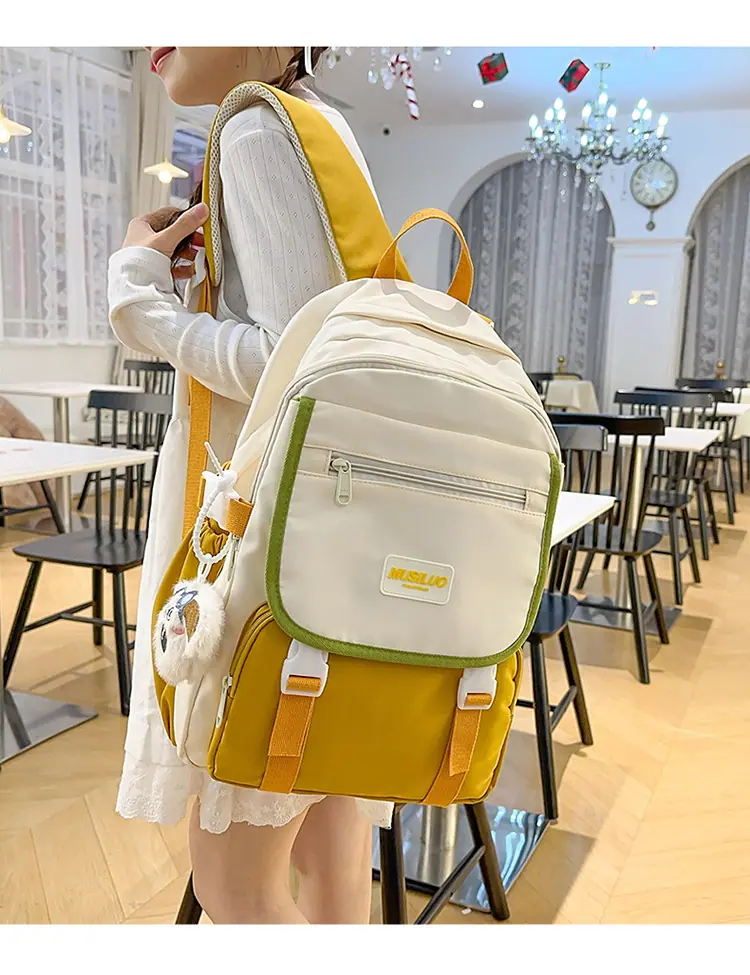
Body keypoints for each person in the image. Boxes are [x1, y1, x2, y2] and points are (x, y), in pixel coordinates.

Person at [107, 46, 393, 925]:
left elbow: (291, 364)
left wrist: (141, 298)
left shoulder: (256, 127)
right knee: (333, 867)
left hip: (263, 563)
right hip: (326, 552)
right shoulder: (320, 122)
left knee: (235, 885)